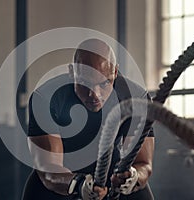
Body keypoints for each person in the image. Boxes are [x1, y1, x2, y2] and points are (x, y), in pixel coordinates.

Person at [22, 39, 155, 200]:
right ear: (72, 72)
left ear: (115, 72)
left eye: (104, 83)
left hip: (112, 178)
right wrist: (79, 185)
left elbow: (144, 164)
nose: (94, 94)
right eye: (84, 83)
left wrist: (133, 177)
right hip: (59, 184)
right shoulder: (46, 98)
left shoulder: (135, 98)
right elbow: (48, 168)